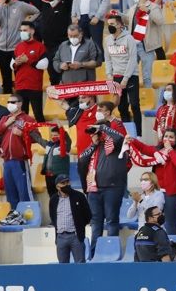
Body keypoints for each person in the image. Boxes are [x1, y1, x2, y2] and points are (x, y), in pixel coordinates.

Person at [78, 104, 128, 240]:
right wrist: (93, 144)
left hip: (112, 187)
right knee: (96, 223)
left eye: (98, 129)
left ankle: (111, 253)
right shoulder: (95, 145)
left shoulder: (114, 144)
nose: (97, 132)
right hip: (94, 190)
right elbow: (82, 161)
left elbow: (120, 138)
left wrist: (103, 127)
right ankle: (95, 255)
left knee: (112, 221)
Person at [49, 175, 90, 264]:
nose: (66, 185)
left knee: (80, 265)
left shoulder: (79, 196)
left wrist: (79, 227)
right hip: (60, 237)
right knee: (63, 267)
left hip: (76, 236)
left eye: (67, 182)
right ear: (57, 186)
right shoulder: (53, 199)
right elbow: (53, 216)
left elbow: (88, 215)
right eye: (63, 183)